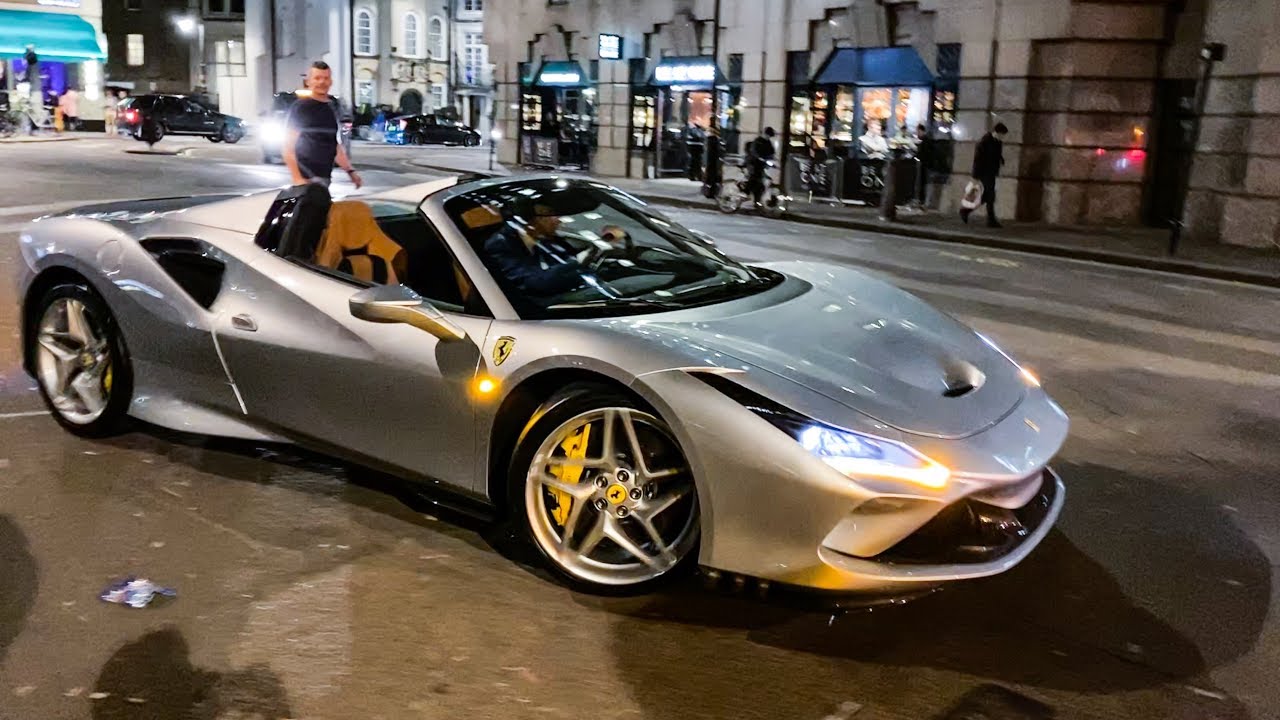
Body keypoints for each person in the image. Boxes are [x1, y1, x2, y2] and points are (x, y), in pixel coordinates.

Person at [283, 60, 362, 189]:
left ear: (331, 82)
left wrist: (350, 171)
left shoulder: (329, 108)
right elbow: (288, 147)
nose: (322, 82)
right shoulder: (301, 107)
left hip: (324, 178)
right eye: (317, 78)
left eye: (326, 78)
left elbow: (333, 145)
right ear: (308, 82)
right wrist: (298, 179)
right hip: (307, 179)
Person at [962, 122, 1007, 228]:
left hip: (991, 172)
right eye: (1001, 134)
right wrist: (975, 175)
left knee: (987, 196)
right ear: (996, 132)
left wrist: (1001, 160)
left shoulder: (998, 142)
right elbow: (978, 159)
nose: (1002, 137)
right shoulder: (984, 141)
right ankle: (991, 220)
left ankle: (966, 211)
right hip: (984, 172)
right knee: (990, 196)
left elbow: (997, 155)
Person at [745, 127, 777, 205]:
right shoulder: (757, 141)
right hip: (753, 163)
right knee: (754, 178)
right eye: (768, 135)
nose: (768, 137)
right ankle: (746, 192)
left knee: (760, 183)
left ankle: (756, 201)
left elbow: (772, 152)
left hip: (761, 164)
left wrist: (772, 159)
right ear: (764, 134)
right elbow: (753, 151)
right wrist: (759, 157)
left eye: (769, 136)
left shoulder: (768, 142)